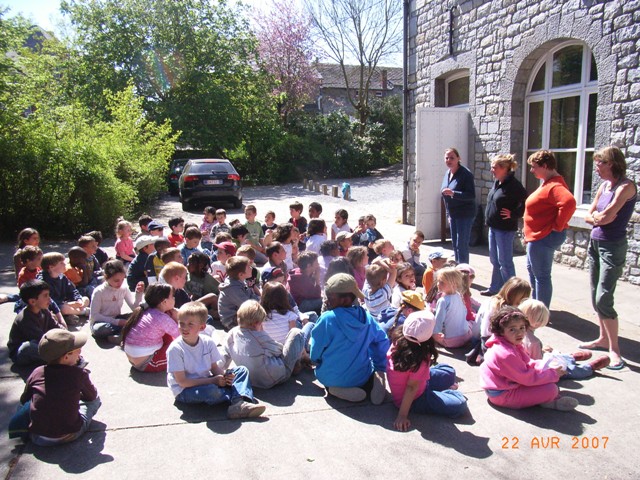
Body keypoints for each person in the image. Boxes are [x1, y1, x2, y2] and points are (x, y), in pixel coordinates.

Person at [581, 146, 636, 370]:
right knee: (596, 295)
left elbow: (607, 217)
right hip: (595, 243)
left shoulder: (626, 186)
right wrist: (596, 217)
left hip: (612, 246)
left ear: (611, 163)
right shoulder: (605, 186)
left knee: (604, 296)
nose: (597, 167)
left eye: (600, 163)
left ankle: (615, 350)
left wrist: (597, 217)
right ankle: (603, 338)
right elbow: (589, 215)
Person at [167, 302, 266, 419]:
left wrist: (225, 377)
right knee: (212, 391)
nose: (184, 328)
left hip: (207, 379)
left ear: (202, 327)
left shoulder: (207, 342)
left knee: (241, 371)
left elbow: (214, 368)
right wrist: (213, 381)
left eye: (190, 324)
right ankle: (240, 398)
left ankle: (238, 402)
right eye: (181, 323)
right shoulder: (176, 349)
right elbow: (182, 382)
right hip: (186, 390)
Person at [10, 329, 101, 446]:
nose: (80, 352)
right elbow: (91, 396)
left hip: (37, 437)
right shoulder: (79, 374)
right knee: (95, 401)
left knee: (27, 403)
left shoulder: (37, 372)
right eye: (77, 350)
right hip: (69, 434)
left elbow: (24, 400)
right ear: (66, 357)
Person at [479, 306, 578, 411]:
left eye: (522, 327)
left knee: (548, 382)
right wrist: (553, 374)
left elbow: (527, 362)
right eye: (512, 329)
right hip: (503, 395)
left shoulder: (509, 344)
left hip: (508, 385)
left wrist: (547, 366)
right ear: (502, 331)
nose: (519, 333)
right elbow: (526, 378)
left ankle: (543, 399)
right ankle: (550, 402)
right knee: (551, 389)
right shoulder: (506, 353)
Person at [310, 273, 389, 404]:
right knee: (369, 369)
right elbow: (382, 341)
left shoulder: (327, 318)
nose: (327, 300)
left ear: (345, 299)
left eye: (330, 297)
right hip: (360, 377)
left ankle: (333, 389)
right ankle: (376, 379)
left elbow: (316, 350)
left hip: (329, 376)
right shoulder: (367, 318)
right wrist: (379, 364)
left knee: (330, 377)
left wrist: (315, 360)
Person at [387, 311, 467, 431]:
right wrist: (402, 416)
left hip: (418, 383)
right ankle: (447, 392)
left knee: (449, 371)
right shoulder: (420, 358)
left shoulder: (398, 340)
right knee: (460, 405)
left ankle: (441, 388)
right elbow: (411, 388)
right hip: (414, 398)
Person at [523, 150, 577, 308]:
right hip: (537, 237)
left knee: (542, 276)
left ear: (545, 166)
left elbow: (569, 203)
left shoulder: (555, 185)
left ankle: (540, 312)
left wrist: (557, 226)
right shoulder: (548, 184)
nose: (532, 170)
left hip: (543, 237)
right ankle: (536, 306)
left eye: (534, 167)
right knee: (534, 271)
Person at [222, 300, 308, 389]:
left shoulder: (232, 333)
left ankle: (300, 361)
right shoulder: (259, 337)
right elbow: (280, 351)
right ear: (256, 323)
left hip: (250, 378)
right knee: (296, 333)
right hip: (273, 378)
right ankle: (301, 361)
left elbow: (224, 356)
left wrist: (221, 373)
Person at [519, 299, 610, 377]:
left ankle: (571, 357)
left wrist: (542, 351)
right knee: (570, 371)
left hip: (525, 364)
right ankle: (589, 367)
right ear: (538, 322)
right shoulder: (534, 342)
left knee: (552, 355)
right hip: (536, 370)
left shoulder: (517, 333)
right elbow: (540, 364)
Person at [483, 154, 528, 295]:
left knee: (505, 262)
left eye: (494, 167)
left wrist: (514, 214)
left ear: (504, 169)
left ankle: (513, 293)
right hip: (494, 227)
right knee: (495, 260)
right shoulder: (498, 182)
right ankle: (496, 288)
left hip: (505, 230)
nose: (492, 170)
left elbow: (526, 203)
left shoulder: (514, 186)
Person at [121, 283, 179, 372]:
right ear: (164, 302)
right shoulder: (162, 318)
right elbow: (183, 336)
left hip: (134, 358)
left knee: (168, 337)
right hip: (147, 363)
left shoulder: (146, 310)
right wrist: (176, 318)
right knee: (182, 352)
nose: (174, 299)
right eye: (172, 296)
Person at [7, 280, 65, 366]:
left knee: (64, 341)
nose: (49, 298)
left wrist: (66, 336)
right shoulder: (24, 319)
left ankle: (64, 358)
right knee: (28, 347)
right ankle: (61, 361)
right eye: (45, 296)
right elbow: (42, 339)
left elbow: (56, 327)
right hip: (21, 353)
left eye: (49, 295)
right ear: (32, 301)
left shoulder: (45, 311)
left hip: (41, 343)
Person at [90, 260, 144, 343]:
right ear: (107, 277)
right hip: (102, 322)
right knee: (101, 330)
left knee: (140, 316)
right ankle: (126, 331)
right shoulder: (99, 291)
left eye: (122, 280)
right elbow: (94, 315)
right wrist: (117, 322)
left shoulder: (123, 288)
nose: (120, 283)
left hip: (117, 317)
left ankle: (121, 333)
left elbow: (134, 308)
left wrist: (138, 294)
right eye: (116, 280)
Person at [441, 147, 477, 264]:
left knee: (461, 244)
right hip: (453, 214)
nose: (449, 160)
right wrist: (448, 214)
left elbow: (471, 195)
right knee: (455, 244)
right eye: (447, 158)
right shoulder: (447, 173)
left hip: (465, 214)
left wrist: (453, 193)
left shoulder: (466, 174)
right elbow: (444, 194)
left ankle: (464, 273)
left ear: (458, 158)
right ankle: (457, 269)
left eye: (452, 158)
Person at [39, 252, 90, 319]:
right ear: (51, 267)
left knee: (85, 299)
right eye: (61, 263)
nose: (65, 264)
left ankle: (72, 313)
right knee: (64, 309)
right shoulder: (43, 282)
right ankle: (84, 311)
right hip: (53, 306)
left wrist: (78, 299)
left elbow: (72, 290)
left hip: (65, 302)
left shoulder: (62, 276)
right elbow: (48, 301)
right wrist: (66, 304)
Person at [432, 267, 471, 348]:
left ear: (454, 284)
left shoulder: (443, 301)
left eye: (442, 282)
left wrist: (435, 334)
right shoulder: (458, 295)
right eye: (438, 281)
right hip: (466, 336)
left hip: (451, 341)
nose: (438, 284)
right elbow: (464, 313)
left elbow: (438, 320)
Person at [218, 256, 260, 330]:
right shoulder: (232, 289)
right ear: (241, 274)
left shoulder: (241, 280)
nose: (251, 269)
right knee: (260, 322)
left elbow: (251, 295)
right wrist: (259, 300)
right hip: (231, 319)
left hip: (241, 311)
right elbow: (248, 306)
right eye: (248, 268)